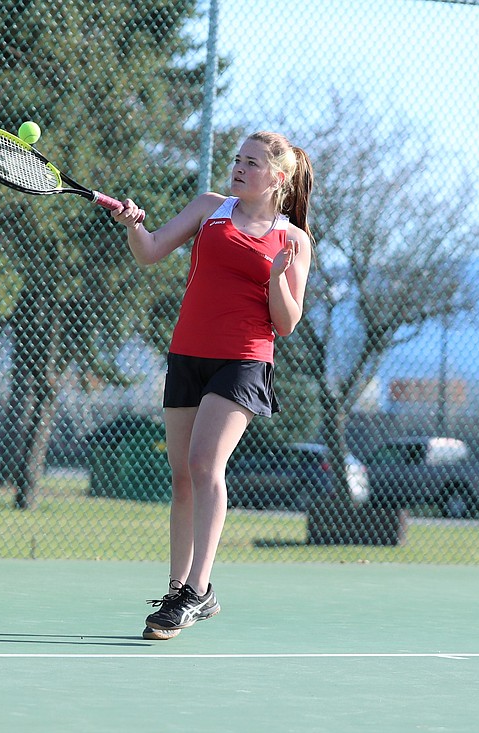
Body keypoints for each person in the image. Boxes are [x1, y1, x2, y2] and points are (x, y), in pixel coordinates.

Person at [110, 131, 314, 640]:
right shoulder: (209, 208)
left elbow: (286, 323)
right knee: (183, 476)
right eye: (237, 160)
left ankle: (196, 591)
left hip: (243, 361)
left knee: (205, 463)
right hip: (188, 354)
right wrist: (135, 225)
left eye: (251, 163)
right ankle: (178, 591)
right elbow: (151, 251)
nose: (239, 168)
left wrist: (274, 279)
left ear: (278, 177)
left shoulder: (293, 239)